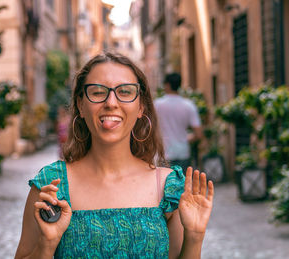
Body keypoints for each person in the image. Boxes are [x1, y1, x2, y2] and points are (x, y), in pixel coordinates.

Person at [15, 53, 214, 258]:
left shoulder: (168, 187)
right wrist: (46, 244)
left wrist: (195, 237)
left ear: (140, 107)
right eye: (98, 92)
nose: (111, 102)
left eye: (125, 92)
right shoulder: (53, 186)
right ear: (81, 105)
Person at [154, 73, 203, 173]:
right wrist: (184, 138)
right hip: (183, 153)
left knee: (164, 187)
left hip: (163, 154)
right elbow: (199, 134)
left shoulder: (157, 105)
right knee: (182, 186)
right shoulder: (188, 105)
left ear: (167, 85)